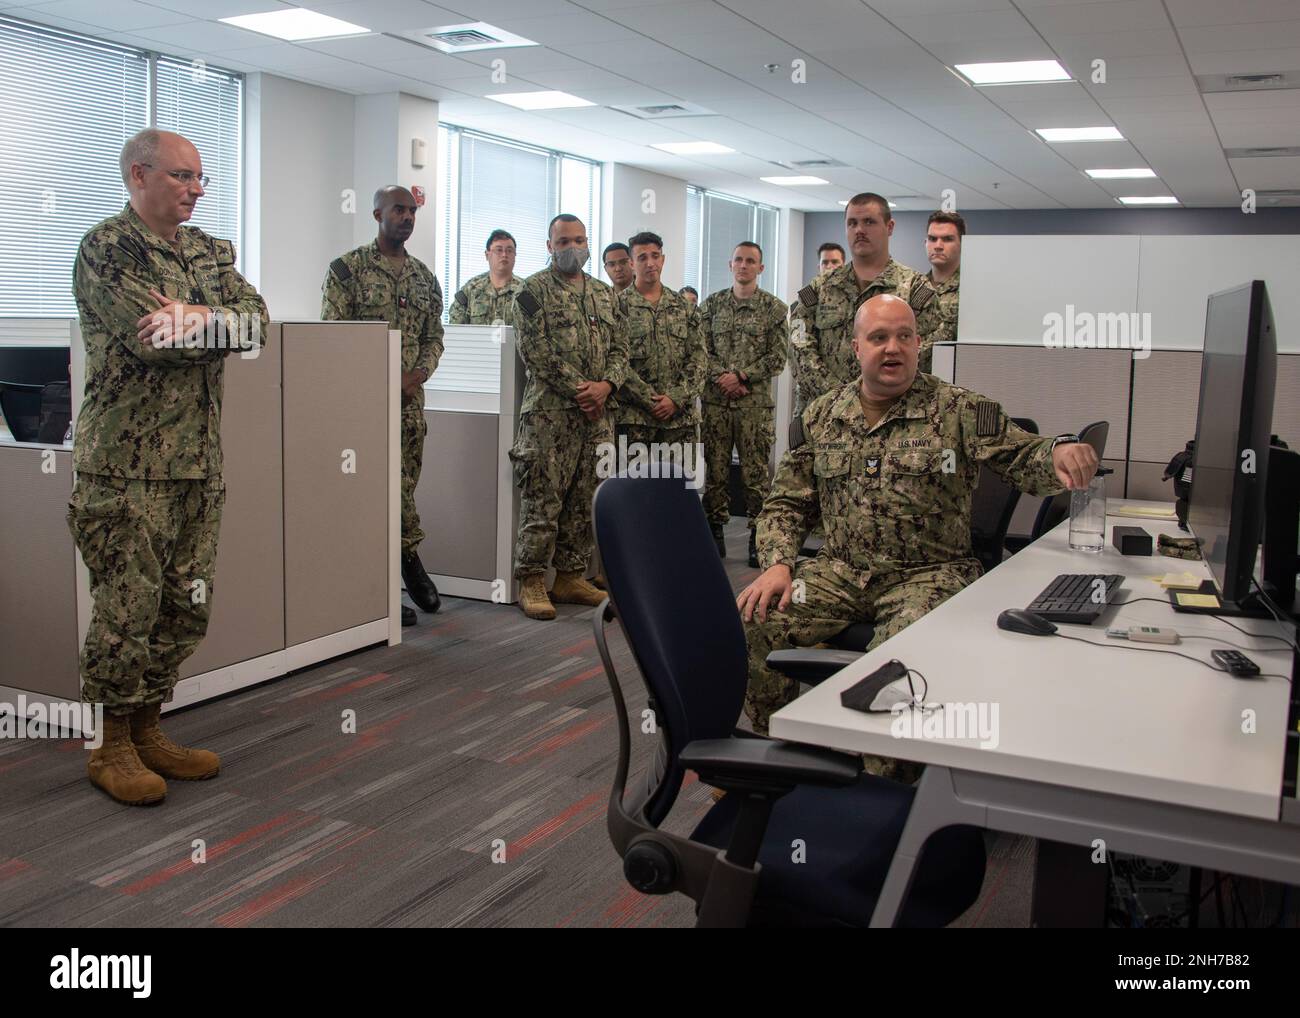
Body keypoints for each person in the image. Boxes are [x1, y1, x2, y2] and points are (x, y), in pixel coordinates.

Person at [737, 295, 1099, 771]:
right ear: (855, 347)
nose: (893, 348)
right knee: (759, 615)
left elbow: (1023, 456)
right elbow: (787, 502)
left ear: (919, 343)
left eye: (904, 336)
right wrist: (779, 563)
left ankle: (888, 781)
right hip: (840, 570)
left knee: (899, 654)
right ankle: (779, 756)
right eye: (879, 337)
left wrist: (1059, 452)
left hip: (929, 574)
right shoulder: (821, 417)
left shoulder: (959, 410)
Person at [70, 128, 269, 805]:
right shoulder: (107, 249)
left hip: (196, 466)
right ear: (138, 175)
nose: (195, 190)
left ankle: (149, 727)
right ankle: (111, 744)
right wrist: (205, 327)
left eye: (200, 178)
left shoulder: (212, 252)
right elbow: (153, 340)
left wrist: (199, 317)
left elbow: (257, 327)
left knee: (184, 610)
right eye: (182, 177)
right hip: (125, 468)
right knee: (126, 610)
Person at [321, 186, 444, 626]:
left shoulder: (426, 278)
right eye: (398, 210)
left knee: (402, 490)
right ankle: (400, 570)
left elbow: (435, 338)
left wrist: (417, 375)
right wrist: (377, 381)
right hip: (362, 408)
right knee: (368, 497)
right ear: (377, 213)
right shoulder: (347, 271)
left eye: (412, 211)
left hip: (409, 409)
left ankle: (393, 585)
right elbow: (334, 338)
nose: (407, 217)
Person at [510, 214, 629, 620]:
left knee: (585, 498)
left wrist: (607, 386)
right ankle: (530, 578)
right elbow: (536, 353)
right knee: (544, 498)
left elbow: (621, 349)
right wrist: (585, 389)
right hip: (550, 416)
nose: (572, 248)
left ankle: (570, 576)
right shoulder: (532, 291)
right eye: (563, 242)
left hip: (597, 418)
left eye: (579, 240)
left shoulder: (604, 294)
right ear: (549, 246)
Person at [790, 192, 942, 409]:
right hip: (825, 416)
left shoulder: (916, 290)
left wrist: (873, 396)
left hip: (890, 416)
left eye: (869, 222)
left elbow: (925, 353)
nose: (859, 230)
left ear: (889, 227)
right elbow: (798, 345)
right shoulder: (818, 289)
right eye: (852, 223)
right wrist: (839, 396)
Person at [698, 242, 789, 567]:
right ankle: (715, 533)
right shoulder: (710, 306)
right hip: (716, 404)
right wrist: (723, 377)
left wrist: (741, 376)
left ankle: (757, 537)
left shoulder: (774, 309)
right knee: (716, 472)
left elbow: (778, 357)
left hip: (754, 407)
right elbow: (700, 351)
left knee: (755, 475)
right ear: (730, 264)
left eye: (751, 261)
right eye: (739, 259)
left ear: (761, 268)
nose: (744, 265)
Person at [615, 232, 706, 458]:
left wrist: (675, 398)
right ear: (631, 263)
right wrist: (649, 399)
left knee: (677, 491)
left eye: (655, 256)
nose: (650, 263)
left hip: (679, 422)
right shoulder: (616, 307)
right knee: (634, 492)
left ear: (663, 259)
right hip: (635, 421)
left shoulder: (684, 308)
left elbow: (700, 359)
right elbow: (614, 360)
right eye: (642, 257)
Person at [450, 229, 522, 325]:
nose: (504, 255)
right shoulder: (470, 290)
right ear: (487, 255)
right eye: (499, 250)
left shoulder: (525, 291)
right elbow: (456, 329)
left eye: (509, 250)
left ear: (515, 255)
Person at [924, 211, 963, 353]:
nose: (938, 245)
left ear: (962, 244)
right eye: (932, 239)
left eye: (947, 239)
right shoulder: (913, 287)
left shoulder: (971, 289)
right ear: (925, 243)